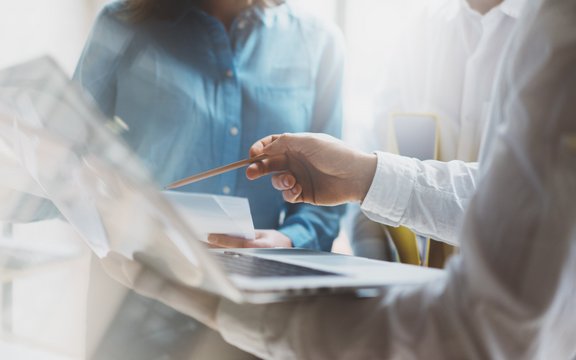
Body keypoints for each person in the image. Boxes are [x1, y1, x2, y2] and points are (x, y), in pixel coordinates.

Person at [101, 0, 576, 357]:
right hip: (141, 301)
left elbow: (483, 332)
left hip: (263, 308)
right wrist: (366, 175)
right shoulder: (121, 24)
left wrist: (237, 301)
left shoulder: (557, 30)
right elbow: (503, 194)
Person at [74, 0, 345, 251]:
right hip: (134, 276)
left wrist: (290, 240)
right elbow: (65, 153)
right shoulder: (121, 23)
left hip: (259, 288)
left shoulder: (319, 42)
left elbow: (326, 191)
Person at [352, 0, 526, 262]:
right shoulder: (417, 31)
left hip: (518, 290)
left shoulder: (555, 35)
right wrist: (374, 269)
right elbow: (375, 153)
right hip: (419, 288)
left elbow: (525, 196)